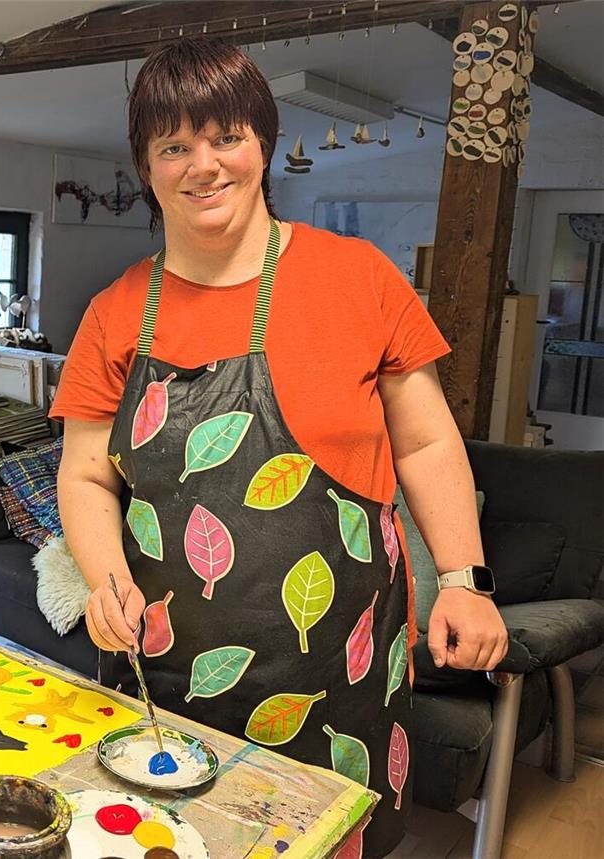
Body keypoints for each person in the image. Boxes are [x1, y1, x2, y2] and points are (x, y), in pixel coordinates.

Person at [49, 39, 508, 857]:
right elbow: (86, 470)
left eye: (225, 136)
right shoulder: (115, 313)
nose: (204, 165)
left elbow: (428, 437)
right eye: (174, 146)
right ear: (147, 168)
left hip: (339, 677)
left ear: (262, 141)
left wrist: (466, 578)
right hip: (169, 677)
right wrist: (103, 578)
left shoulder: (358, 276)